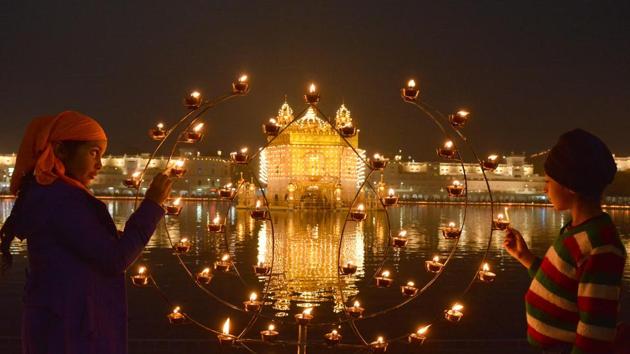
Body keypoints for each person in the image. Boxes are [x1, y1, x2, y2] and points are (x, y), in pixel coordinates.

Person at [0, 111, 173, 354]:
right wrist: (152, 205)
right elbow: (114, 259)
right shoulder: (61, 199)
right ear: (60, 150)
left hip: (62, 328)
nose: (99, 165)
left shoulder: (51, 195)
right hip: (72, 335)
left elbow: (88, 251)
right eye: (93, 153)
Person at [503, 129, 627, 354]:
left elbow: (595, 331)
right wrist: (525, 257)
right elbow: (563, 284)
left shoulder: (600, 246)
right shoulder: (577, 232)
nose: (545, 189)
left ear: (570, 186)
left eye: (549, 181)